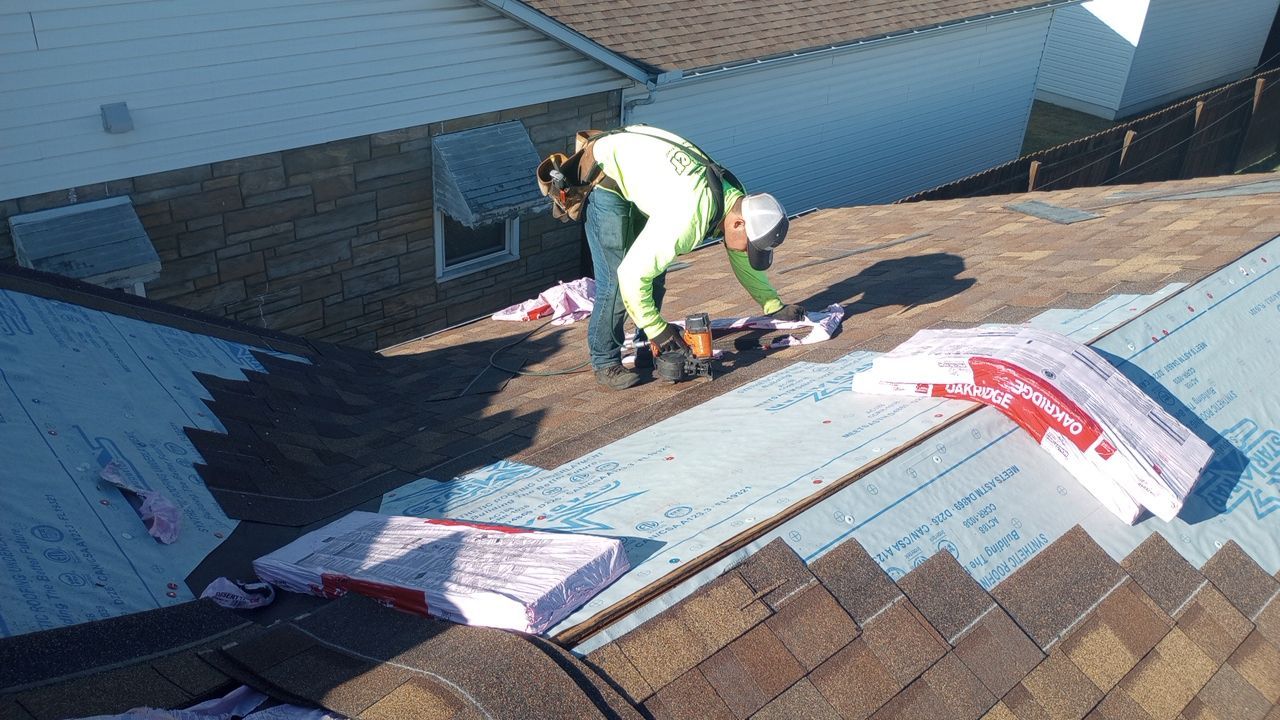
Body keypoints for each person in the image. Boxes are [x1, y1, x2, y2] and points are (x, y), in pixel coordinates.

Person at [582, 125, 806, 390]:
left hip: (646, 175)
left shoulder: (736, 199)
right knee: (618, 284)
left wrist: (772, 305)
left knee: (654, 273)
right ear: (738, 225)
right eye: (751, 246)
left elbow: (741, 258)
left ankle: (646, 348)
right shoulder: (688, 219)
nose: (748, 252)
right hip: (606, 177)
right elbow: (630, 276)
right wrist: (659, 329)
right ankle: (605, 361)